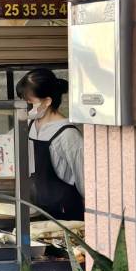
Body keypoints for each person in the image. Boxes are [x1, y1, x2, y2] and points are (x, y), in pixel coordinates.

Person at [15, 68, 84, 221]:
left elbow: (84, 181)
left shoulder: (68, 134)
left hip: (65, 215)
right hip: (38, 210)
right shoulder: (28, 124)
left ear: (47, 101)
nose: (25, 107)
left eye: (29, 103)